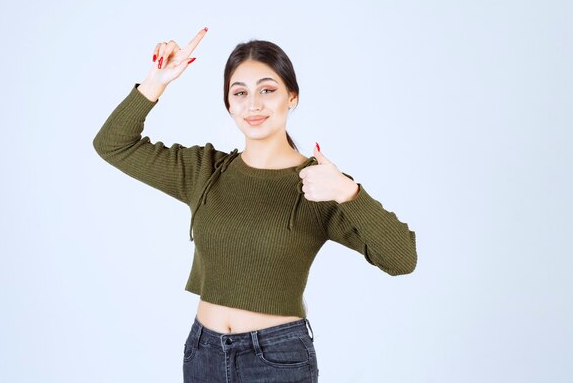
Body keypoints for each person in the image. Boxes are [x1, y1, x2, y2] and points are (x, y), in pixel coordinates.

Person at [93, 26, 418, 382]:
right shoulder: (204, 171)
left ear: (291, 97)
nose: (254, 104)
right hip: (204, 353)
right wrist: (156, 81)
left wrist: (349, 192)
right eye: (240, 92)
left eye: (267, 89)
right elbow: (112, 144)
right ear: (228, 103)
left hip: (277, 359)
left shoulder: (319, 185)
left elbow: (401, 259)